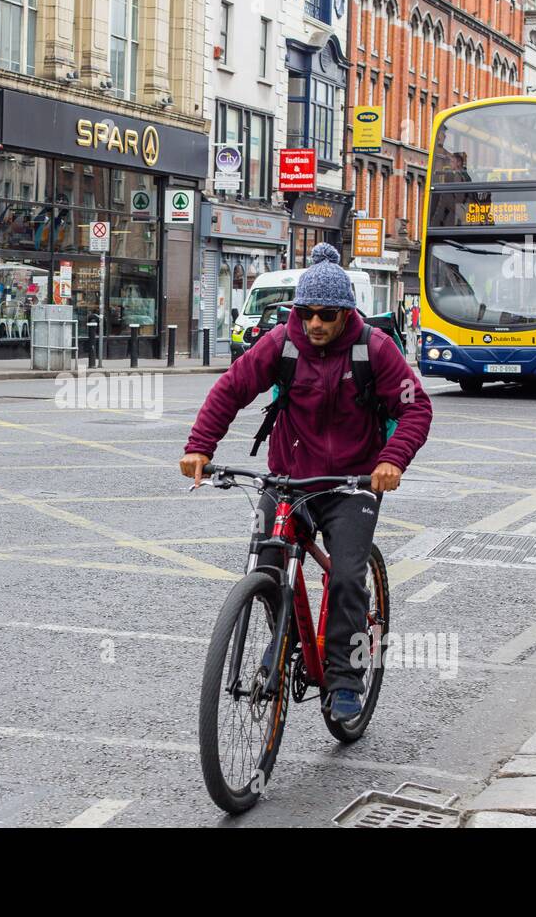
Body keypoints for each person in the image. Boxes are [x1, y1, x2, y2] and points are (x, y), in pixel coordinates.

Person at [179, 243, 432, 721]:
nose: (315, 323)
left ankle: (343, 680)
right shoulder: (281, 343)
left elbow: (415, 406)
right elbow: (231, 388)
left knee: (345, 577)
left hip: (350, 483)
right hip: (287, 480)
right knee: (266, 561)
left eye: (327, 315)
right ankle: (280, 642)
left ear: (346, 314)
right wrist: (200, 446)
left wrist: (392, 460)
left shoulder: (373, 349)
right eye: (307, 313)